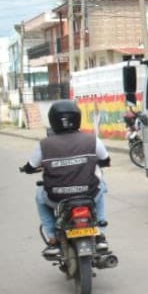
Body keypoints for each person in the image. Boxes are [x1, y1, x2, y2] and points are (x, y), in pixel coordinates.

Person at [20, 100, 111, 259]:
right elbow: (105, 160)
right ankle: (100, 234)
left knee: (39, 195)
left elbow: (30, 166)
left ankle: (53, 239)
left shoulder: (44, 144)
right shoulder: (92, 140)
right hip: (89, 195)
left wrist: (27, 169)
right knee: (101, 186)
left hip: (57, 198)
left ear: (52, 120)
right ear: (78, 118)